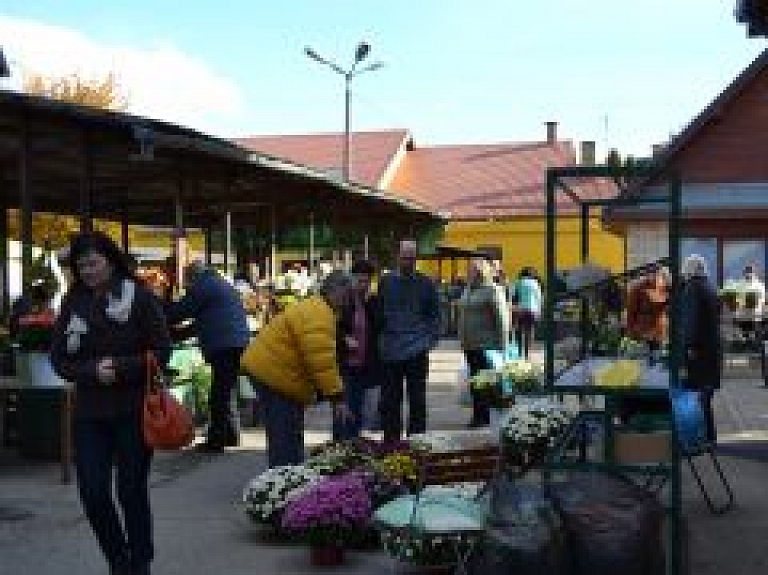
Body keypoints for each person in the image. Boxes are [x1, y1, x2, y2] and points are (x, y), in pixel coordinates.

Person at [49, 231, 171, 575]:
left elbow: (163, 350)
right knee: (93, 493)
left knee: (131, 491)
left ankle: (140, 561)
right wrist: (90, 371)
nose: (87, 271)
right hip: (90, 414)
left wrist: (120, 368)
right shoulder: (73, 302)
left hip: (133, 411)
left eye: (94, 263)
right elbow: (59, 359)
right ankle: (118, 560)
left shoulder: (139, 297)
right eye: (81, 265)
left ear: (111, 261)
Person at [240, 270, 354, 466]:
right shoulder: (320, 314)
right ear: (337, 292)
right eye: (348, 295)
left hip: (272, 372)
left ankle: (289, 475)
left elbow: (316, 349)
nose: (348, 301)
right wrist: (338, 398)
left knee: (288, 430)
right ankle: (283, 481)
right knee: (284, 434)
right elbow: (321, 361)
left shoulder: (317, 307)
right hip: (273, 375)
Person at [166, 261, 250, 451]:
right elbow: (204, 321)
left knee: (219, 395)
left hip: (224, 345)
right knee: (226, 391)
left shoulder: (203, 286)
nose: (186, 285)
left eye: (186, 280)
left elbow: (179, 312)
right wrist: (176, 334)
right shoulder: (218, 283)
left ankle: (217, 440)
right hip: (235, 343)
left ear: (192, 276)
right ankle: (230, 434)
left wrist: (159, 315)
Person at [377, 240, 441, 441]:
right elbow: (379, 310)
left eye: (412, 258)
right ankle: (391, 443)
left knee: (417, 400)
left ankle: (416, 442)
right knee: (390, 401)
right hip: (391, 351)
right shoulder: (385, 282)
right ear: (398, 257)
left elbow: (435, 315)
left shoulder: (426, 283)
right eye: (405, 258)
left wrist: (430, 340)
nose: (408, 262)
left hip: (417, 350)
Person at [457, 257, 509, 427]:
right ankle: (478, 415)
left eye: (472, 270)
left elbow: (502, 320)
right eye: (469, 270)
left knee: (486, 383)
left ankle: (487, 417)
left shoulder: (492, 290)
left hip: (487, 345)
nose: (469, 273)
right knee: (475, 383)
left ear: (481, 272)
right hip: (470, 345)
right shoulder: (467, 289)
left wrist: (503, 346)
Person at [333, 260, 381, 440]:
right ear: (352, 279)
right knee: (345, 410)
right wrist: (343, 339)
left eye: (366, 281)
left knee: (357, 412)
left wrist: (370, 304)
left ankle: (351, 450)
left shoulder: (372, 301)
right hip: (345, 365)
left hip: (363, 366)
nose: (362, 285)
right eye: (359, 280)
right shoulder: (343, 300)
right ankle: (340, 449)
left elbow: (378, 326)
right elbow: (332, 327)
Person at [681, 254, 721, 442]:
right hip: (712, 351)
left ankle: (701, 439)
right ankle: (709, 437)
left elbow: (691, 323)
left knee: (697, 399)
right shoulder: (711, 288)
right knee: (705, 398)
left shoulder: (692, 289)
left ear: (689, 270)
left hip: (698, 353)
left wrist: (687, 345)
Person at [626, 266, 669, 356]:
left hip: (659, 332)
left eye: (657, 275)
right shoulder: (638, 288)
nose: (655, 277)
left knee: (657, 359)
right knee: (644, 360)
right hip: (643, 331)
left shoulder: (663, 287)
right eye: (653, 274)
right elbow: (631, 311)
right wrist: (631, 332)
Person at [510, 267, 542, 359]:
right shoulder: (536, 284)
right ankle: (527, 354)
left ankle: (520, 352)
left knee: (519, 331)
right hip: (532, 310)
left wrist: (513, 309)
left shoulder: (518, 282)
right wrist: (538, 311)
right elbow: (539, 298)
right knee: (530, 331)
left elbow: (513, 295)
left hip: (520, 310)